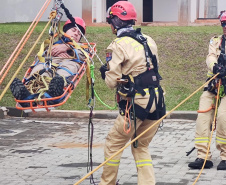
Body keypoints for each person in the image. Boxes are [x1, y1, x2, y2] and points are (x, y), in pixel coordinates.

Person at [99, 1, 165, 185]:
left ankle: (107, 183)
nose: (110, 25)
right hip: (157, 102)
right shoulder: (148, 40)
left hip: (137, 104)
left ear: (116, 21)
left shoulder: (117, 45)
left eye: (111, 21)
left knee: (114, 143)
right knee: (140, 145)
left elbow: (112, 82)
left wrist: (106, 72)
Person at [10, 17, 87, 105]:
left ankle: (52, 94)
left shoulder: (81, 46)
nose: (76, 34)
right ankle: (27, 96)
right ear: (66, 31)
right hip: (48, 62)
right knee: (40, 70)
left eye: (79, 33)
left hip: (69, 63)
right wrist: (51, 52)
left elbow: (84, 56)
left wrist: (68, 47)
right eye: (74, 30)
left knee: (62, 75)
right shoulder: (52, 44)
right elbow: (39, 57)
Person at [188, 11, 226, 170]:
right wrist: (215, 67)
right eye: (223, 24)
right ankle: (203, 157)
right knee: (202, 117)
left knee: (223, 118)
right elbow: (210, 57)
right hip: (214, 84)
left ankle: (225, 156)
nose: (225, 27)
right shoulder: (216, 41)